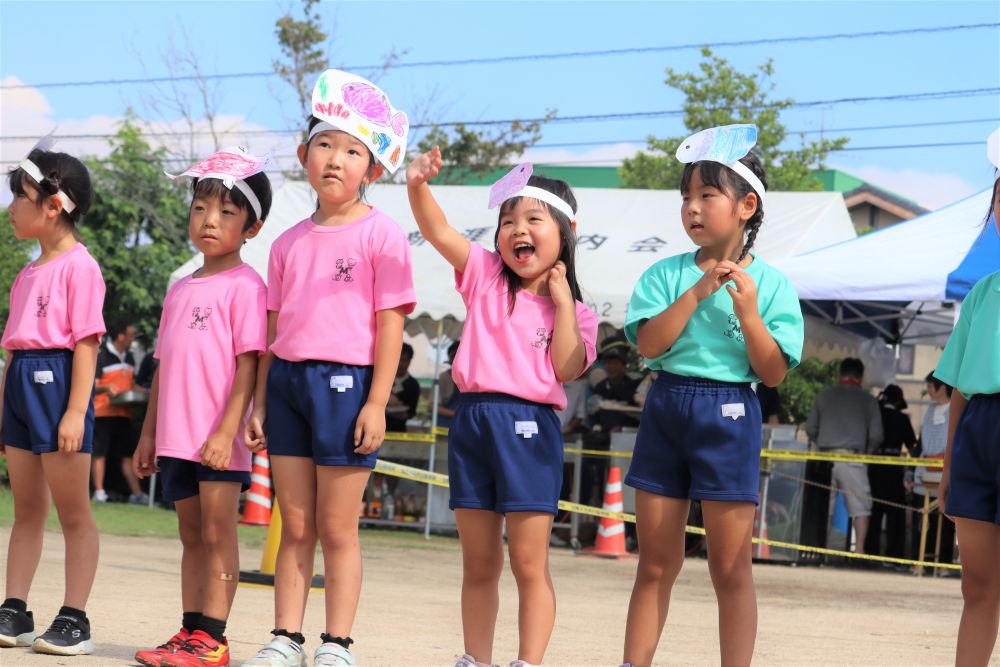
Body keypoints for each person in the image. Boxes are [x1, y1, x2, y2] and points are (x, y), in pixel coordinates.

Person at [242, 70, 414, 667]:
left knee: (338, 528)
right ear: (303, 156)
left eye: (352, 150)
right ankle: (284, 636)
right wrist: (260, 401)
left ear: (371, 167)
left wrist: (376, 402)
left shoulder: (384, 235)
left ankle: (336, 642)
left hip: (347, 387)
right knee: (295, 524)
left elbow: (390, 324)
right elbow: (269, 332)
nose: (335, 160)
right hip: (287, 384)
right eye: (324, 145)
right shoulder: (286, 242)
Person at [620, 125, 803, 667]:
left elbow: (772, 374)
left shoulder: (771, 285)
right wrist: (700, 291)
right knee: (655, 562)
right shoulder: (664, 274)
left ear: (747, 205)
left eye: (706, 195)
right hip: (667, 406)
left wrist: (747, 311)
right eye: (685, 197)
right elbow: (649, 345)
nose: (692, 208)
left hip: (730, 414)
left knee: (730, 566)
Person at [408, 152, 598, 667]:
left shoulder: (579, 312)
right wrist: (418, 185)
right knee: (479, 561)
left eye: (534, 219)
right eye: (508, 220)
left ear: (565, 231)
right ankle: (476, 658)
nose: (518, 229)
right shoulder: (486, 275)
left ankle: (528, 662)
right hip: (472, 421)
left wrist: (560, 303)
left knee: (529, 562)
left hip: (530, 428)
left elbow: (565, 367)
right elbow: (439, 231)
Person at [130, 148, 272, 667]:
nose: (209, 221)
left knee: (218, 533)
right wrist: (149, 435)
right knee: (191, 535)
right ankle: (189, 631)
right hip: (175, 436)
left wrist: (225, 431)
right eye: (199, 208)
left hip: (219, 439)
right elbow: (164, 367)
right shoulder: (179, 288)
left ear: (251, 228)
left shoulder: (248, 287)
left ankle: (214, 637)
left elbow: (248, 366)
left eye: (226, 213)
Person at [0, 142, 105, 655]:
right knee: (25, 511)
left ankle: (75, 617)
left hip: (60, 387)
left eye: (19, 197)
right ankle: (14, 608)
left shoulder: (81, 268)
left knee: (74, 514)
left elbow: (87, 345)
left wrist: (74, 412)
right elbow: (12, 350)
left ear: (53, 204)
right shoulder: (26, 274)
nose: (11, 207)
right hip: (21, 386)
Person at [936, 132, 1000, 666]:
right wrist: (948, 466)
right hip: (979, 433)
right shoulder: (981, 293)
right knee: (977, 586)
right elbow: (956, 388)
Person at [805, 357, 883, 554]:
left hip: (824, 457)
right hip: (854, 459)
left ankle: (821, 551)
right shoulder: (868, 400)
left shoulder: (823, 395)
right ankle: (860, 551)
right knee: (861, 508)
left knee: (824, 507)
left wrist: (821, 442)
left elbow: (810, 428)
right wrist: (868, 455)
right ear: (861, 376)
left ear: (840, 373)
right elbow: (876, 435)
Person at [91, 320, 145, 504]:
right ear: (121, 336)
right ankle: (99, 492)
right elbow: (92, 386)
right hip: (102, 413)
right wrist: (106, 389)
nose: (132, 339)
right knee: (99, 454)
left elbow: (133, 385)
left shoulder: (130, 358)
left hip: (123, 414)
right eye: (130, 335)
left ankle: (137, 494)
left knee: (127, 455)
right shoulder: (102, 356)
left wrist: (149, 393)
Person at [906, 372, 954, 564]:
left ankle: (942, 563)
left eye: (931, 386)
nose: (929, 390)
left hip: (946, 471)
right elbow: (919, 445)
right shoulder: (928, 411)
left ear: (943, 387)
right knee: (922, 520)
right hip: (924, 472)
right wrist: (910, 472)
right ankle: (918, 561)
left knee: (945, 522)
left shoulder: (954, 410)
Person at [864, 384, 915, 559]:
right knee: (895, 514)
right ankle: (895, 554)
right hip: (893, 470)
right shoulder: (902, 418)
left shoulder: (874, 415)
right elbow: (912, 446)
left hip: (875, 468)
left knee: (873, 511)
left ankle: (870, 552)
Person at [385, 342, 420, 432]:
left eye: (404, 360)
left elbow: (412, 411)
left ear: (409, 361)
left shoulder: (413, 385)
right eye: (398, 359)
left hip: (399, 430)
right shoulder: (383, 379)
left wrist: (401, 413)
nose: (401, 364)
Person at [436, 339, 462, 428]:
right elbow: (432, 407)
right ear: (450, 359)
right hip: (445, 425)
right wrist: (456, 413)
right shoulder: (443, 377)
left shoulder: (473, 378)